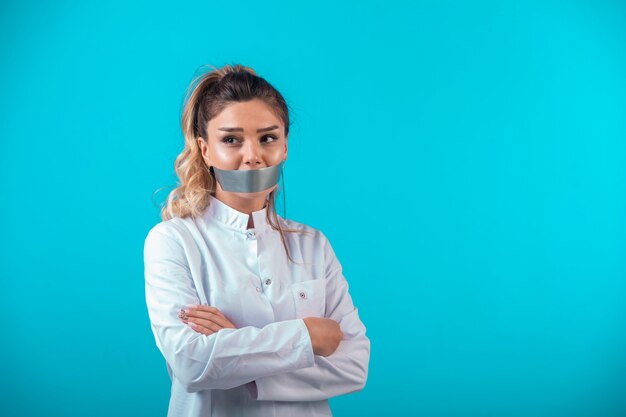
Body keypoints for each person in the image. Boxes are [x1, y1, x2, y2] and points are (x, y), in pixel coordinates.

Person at [143, 63, 370, 417]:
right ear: (205, 150)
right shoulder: (173, 241)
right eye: (231, 139)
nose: (252, 156)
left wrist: (238, 353)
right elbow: (190, 362)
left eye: (267, 138)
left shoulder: (313, 244)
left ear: (284, 147)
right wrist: (305, 337)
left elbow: (354, 365)